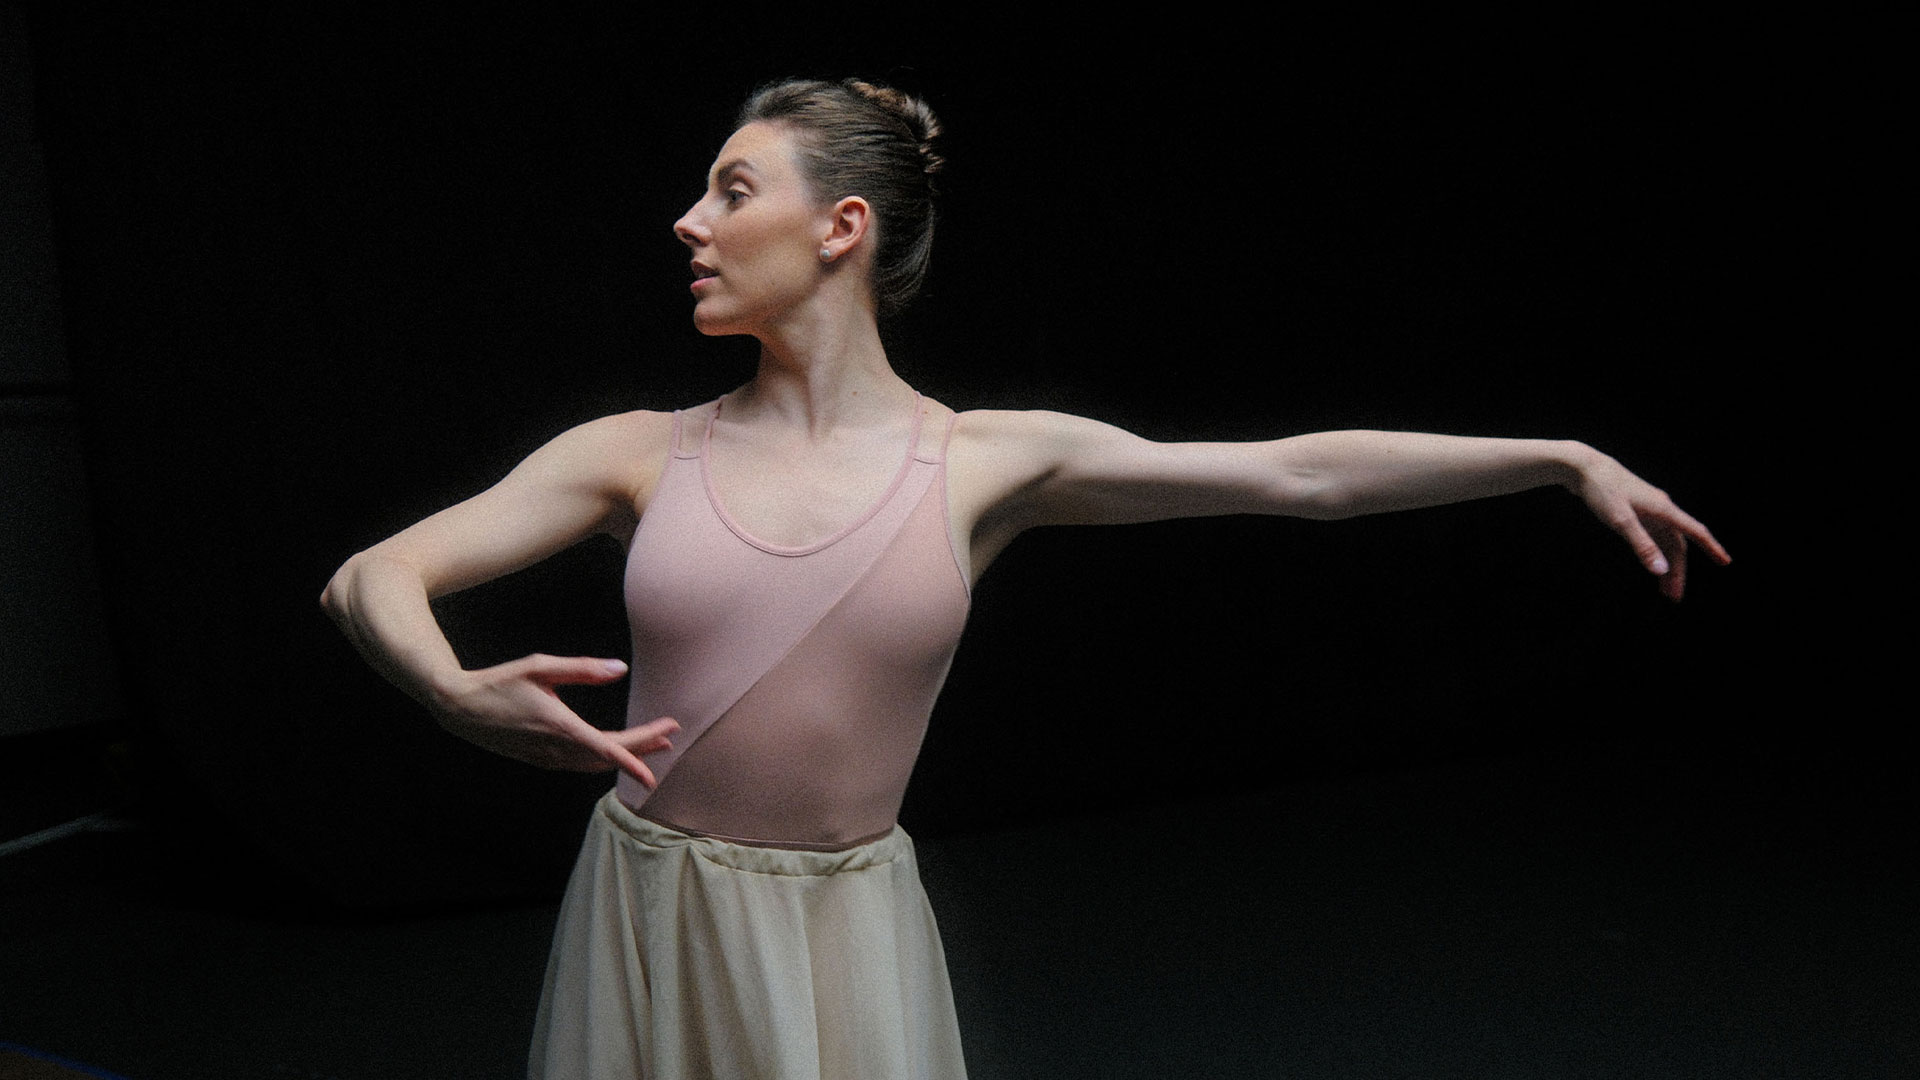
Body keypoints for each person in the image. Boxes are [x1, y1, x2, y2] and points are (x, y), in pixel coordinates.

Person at [320, 77, 1728, 1080]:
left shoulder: (984, 462)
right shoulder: (636, 453)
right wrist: (448, 691)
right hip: (652, 921)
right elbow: (373, 577)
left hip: (841, 934)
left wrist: (1552, 455)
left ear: (842, 227)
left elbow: (1294, 474)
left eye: (731, 190)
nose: (689, 221)